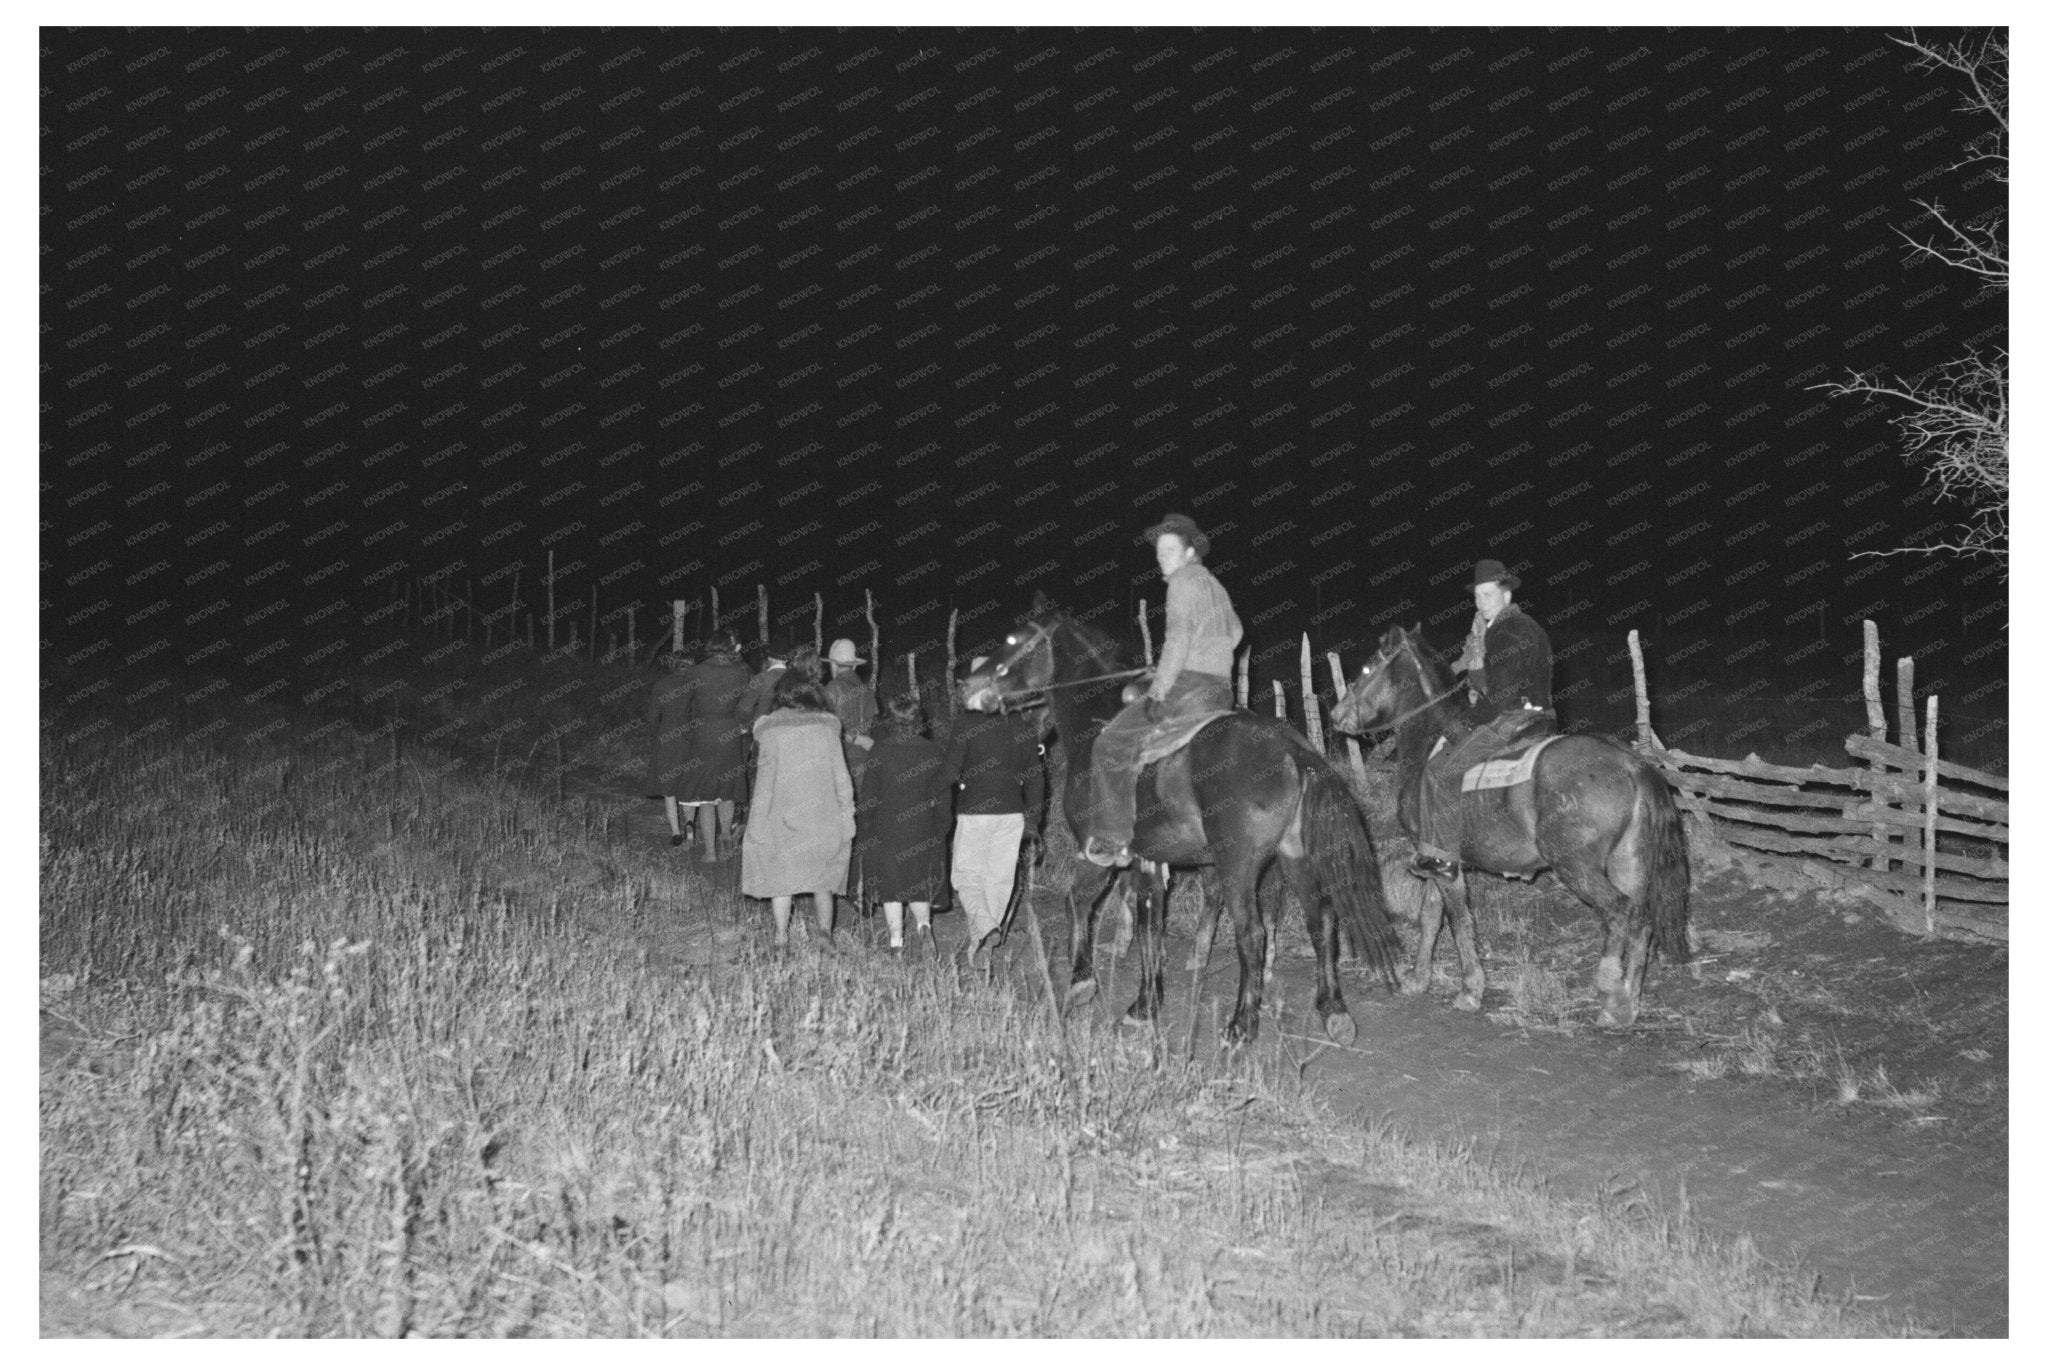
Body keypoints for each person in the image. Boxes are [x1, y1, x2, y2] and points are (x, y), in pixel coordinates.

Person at [1082, 512, 1243, 867]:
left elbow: (1177, 639)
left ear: (1190, 552)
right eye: (1158, 550)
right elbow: (1236, 633)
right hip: (1220, 691)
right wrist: (1209, 655)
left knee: (1109, 743)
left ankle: (1113, 838)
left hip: (1187, 688)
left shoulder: (1182, 582)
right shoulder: (1214, 585)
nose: (1161, 555)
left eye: (1169, 548)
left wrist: (1158, 691)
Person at [1411, 557, 1556, 880]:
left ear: (1507, 595)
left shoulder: (1505, 631)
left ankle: (1441, 858)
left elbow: (1500, 697)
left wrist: (1464, 724)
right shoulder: (1532, 626)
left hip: (1512, 718)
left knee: (1439, 771)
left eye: (1488, 595)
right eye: (1477, 596)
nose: (1481, 602)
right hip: (1544, 717)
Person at [741, 670, 857, 948]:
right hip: (823, 819)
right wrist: (847, 815)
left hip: (784, 819)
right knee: (823, 879)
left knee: (781, 879)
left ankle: (781, 938)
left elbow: (764, 786)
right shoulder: (828, 728)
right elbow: (843, 777)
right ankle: (825, 935)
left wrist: (755, 826)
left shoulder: (770, 731)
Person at [942, 657, 1047, 952]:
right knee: (998, 878)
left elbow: (950, 772)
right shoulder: (1022, 725)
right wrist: (1033, 819)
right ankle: (983, 938)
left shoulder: (965, 723)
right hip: (1012, 813)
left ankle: (986, 926)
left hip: (975, 811)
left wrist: (928, 794)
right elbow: (1036, 778)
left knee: (965, 875)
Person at [855, 692, 953, 951]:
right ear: (918, 720)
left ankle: (895, 940)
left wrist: (865, 830)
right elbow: (943, 798)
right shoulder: (933, 751)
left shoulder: (880, 750)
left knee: (892, 889)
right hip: (922, 828)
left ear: (889, 720)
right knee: (918, 883)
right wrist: (941, 830)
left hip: (886, 829)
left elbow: (868, 797)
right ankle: (924, 927)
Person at [659, 631, 752, 861]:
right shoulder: (740, 673)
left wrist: (690, 732)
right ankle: (726, 840)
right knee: (727, 791)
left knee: (705, 796)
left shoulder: (695, 671)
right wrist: (742, 726)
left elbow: (682, 708)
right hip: (729, 734)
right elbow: (746, 707)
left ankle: (710, 853)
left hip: (703, 735)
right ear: (727, 648)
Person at [823, 637, 879, 792]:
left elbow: (824, 730)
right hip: (866, 761)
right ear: (854, 666)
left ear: (833, 665)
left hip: (841, 761)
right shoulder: (868, 691)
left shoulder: (832, 688)